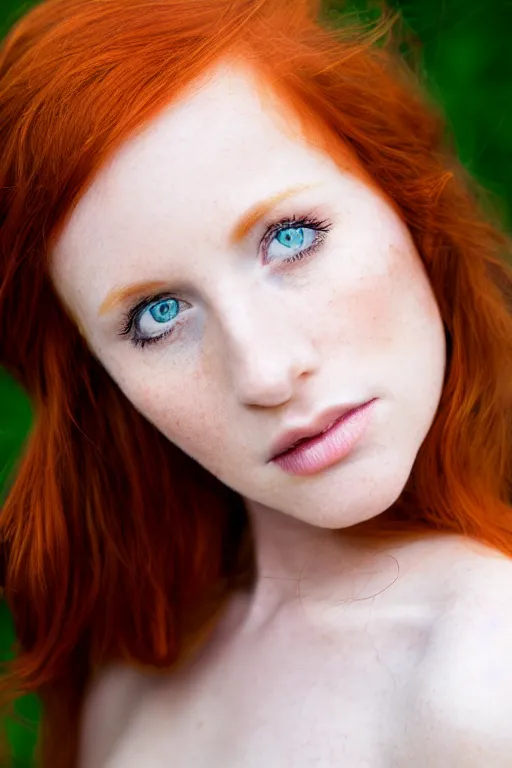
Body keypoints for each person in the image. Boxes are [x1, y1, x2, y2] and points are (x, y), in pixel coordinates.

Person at [0, 0, 511, 765]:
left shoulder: (479, 672)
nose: (266, 373)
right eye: (160, 314)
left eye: (291, 238)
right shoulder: (138, 657)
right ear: (103, 379)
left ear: (405, 201)